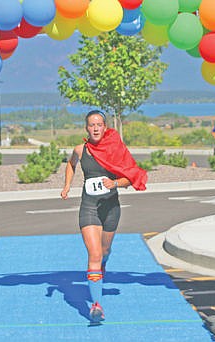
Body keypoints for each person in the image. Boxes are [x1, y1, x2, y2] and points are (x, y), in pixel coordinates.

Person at [60, 109, 147, 322]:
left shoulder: (115, 150)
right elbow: (71, 164)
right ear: (87, 128)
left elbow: (131, 175)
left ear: (105, 127)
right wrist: (67, 185)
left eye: (99, 124)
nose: (96, 128)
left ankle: (104, 262)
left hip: (111, 209)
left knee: (105, 250)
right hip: (89, 208)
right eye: (92, 125)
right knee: (94, 255)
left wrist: (115, 183)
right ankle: (96, 306)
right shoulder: (80, 150)